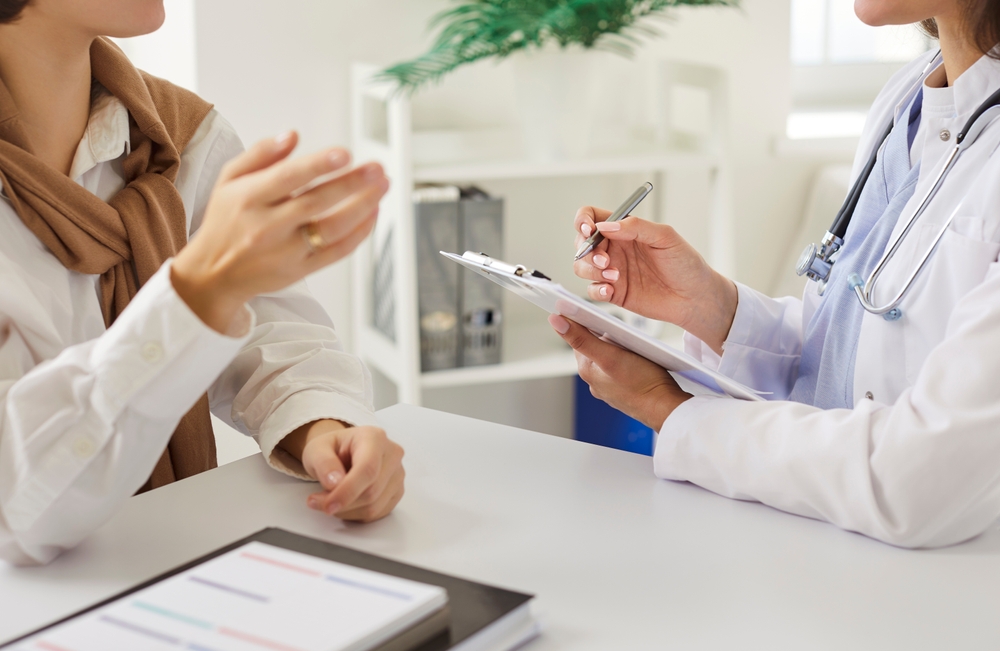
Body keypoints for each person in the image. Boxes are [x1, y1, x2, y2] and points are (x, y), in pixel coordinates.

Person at [551, 0, 1000, 548]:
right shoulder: (909, 98)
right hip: (829, 555)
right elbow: (848, 366)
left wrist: (670, 411)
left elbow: (919, 481)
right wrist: (712, 308)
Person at [0, 0, 404, 566]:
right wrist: (197, 294)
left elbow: (270, 330)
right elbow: (17, 506)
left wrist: (322, 426)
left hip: (170, 567)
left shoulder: (182, 136)